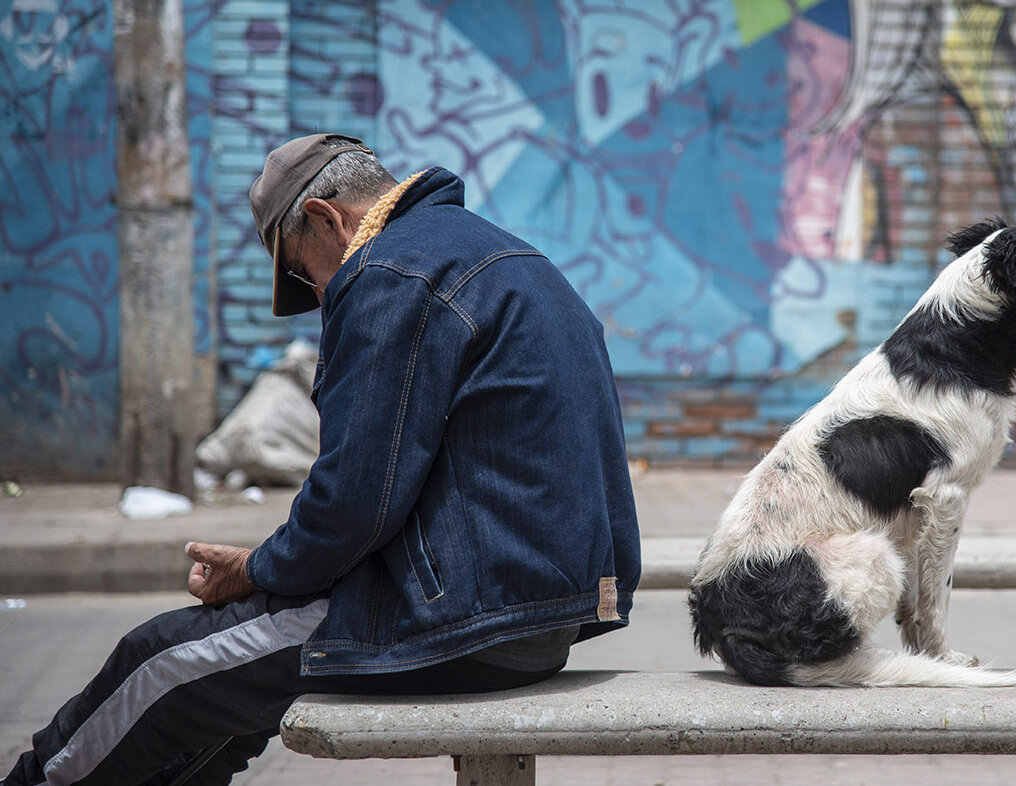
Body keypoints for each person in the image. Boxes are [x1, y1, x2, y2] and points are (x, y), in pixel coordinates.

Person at [5, 133, 642, 785]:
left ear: (324, 218)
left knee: (157, 663)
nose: (314, 291)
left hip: (467, 621)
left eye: (301, 270)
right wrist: (270, 569)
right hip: (544, 618)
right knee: (220, 691)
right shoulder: (510, 255)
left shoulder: (388, 271)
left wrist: (258, 568)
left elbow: (354, 503)